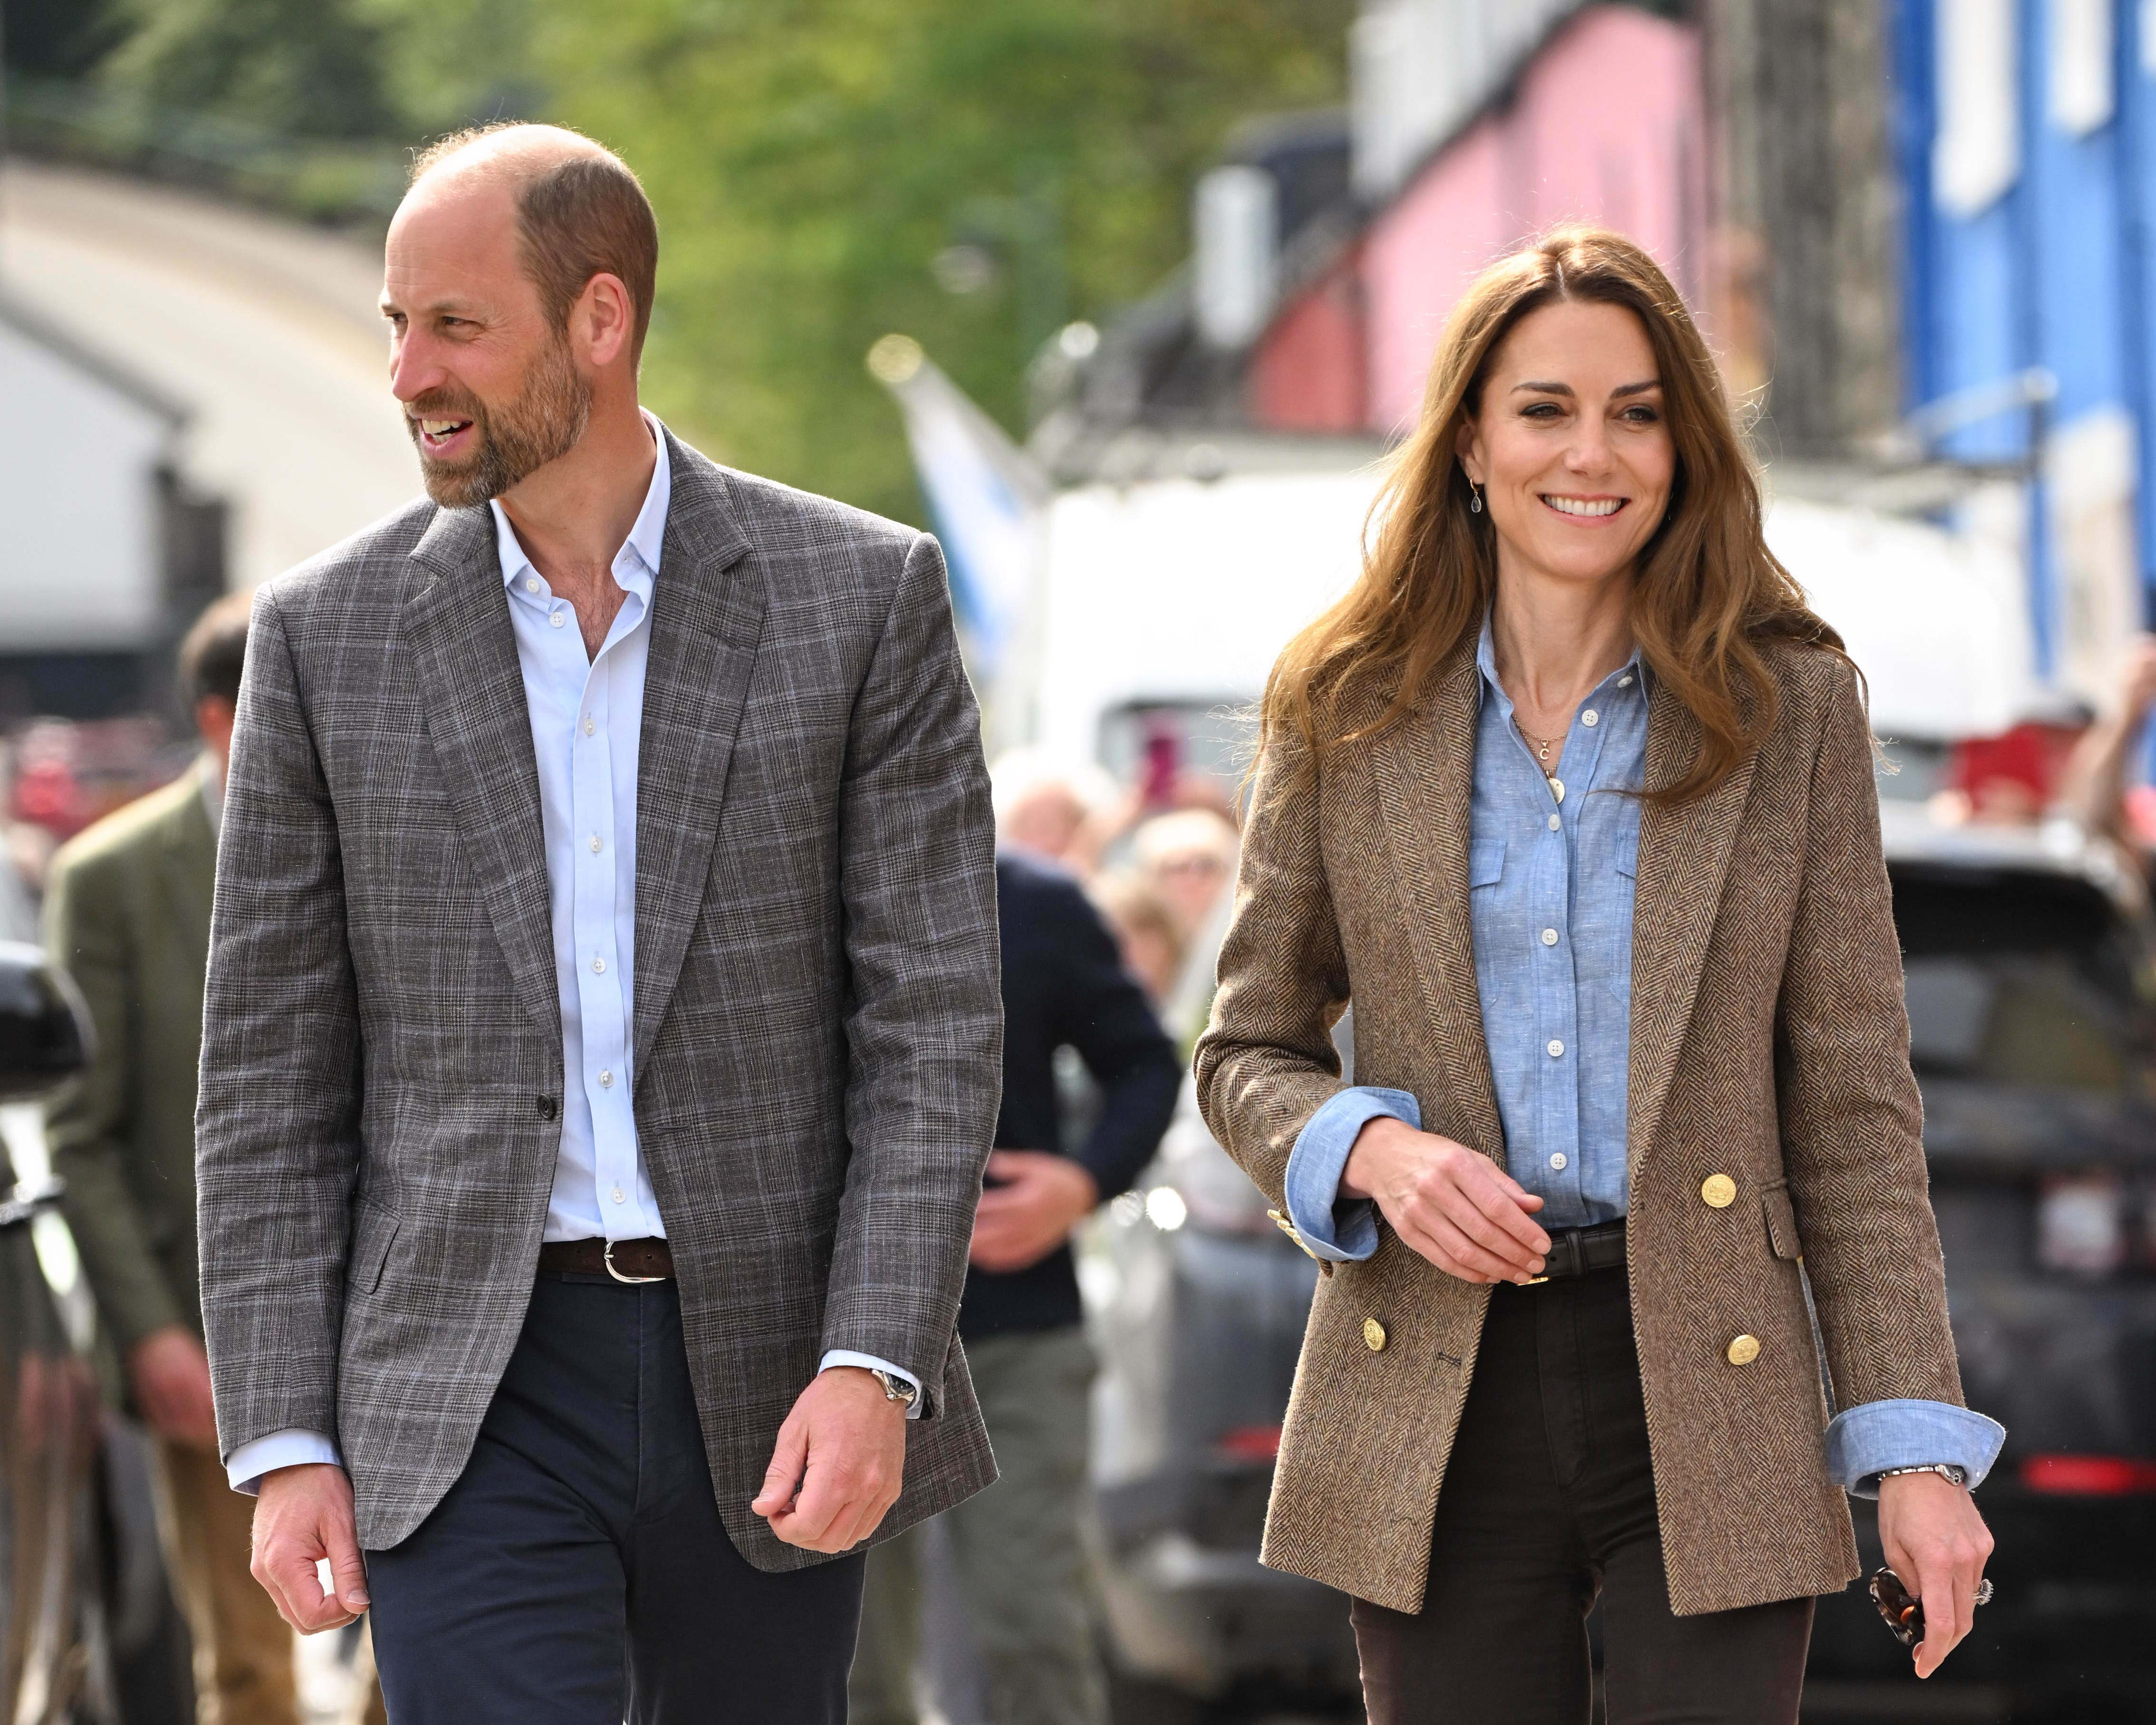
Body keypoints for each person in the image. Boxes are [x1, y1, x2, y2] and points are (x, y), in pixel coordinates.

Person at [193, 124, 1002, 1725]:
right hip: (459, 1390)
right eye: (396, 326)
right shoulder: (320, 640)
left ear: (601, 319)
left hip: (770, 1372)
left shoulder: (862, 599)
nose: (411, 371)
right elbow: (268, 1084)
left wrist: (873, 1358)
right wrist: (284, 1441)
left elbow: (931, 1033)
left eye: (455, 326)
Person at [1193, 228, 2002, 1725]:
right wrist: (1367, 1144)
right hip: (1436, 1373)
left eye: (1638, 410)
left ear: (1685, 446)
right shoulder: (1349, 703)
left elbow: (1852, 1103)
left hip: (1710, 1373)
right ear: (1472, 446)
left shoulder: (1789, 705)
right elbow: (1245, 1044)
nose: (1596, 451)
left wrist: (1917, 1447)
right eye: (1546, 408)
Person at [45, 595, 387, 1725]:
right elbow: (80, 1131)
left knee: (436, 1656)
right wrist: (150, 1330)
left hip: (412, 1328)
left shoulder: (396, 845)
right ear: (218, 720)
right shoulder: (115, 876)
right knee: (248, 1668)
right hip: (215, 1336)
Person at [849, 813, 1181, 1725]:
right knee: (850, 1654)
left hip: (1017, 1331)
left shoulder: (1035, 901)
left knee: (1028, 1629)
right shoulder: (783, 886)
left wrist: (1081, 1181)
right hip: (833, 1336)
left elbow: (1147, 1064)